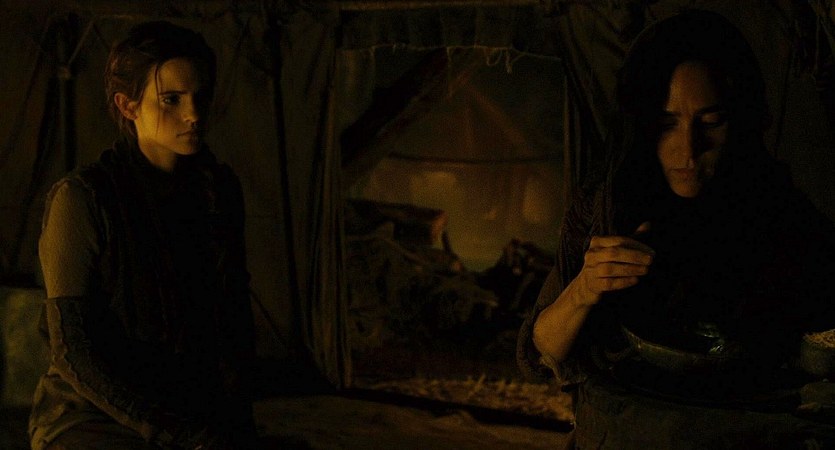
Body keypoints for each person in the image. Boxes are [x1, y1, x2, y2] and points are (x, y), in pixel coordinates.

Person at [517, 10, 835, 449]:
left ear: (742, 118)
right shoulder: (608, 204)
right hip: (622, 432)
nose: (688, 149)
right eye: (667, 124)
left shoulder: (779, 209)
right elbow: (541, 353)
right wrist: (585, 289)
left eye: (711, 122)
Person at [28, 21, 257, 450]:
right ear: (128, 105)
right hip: (93, 415)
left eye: (200, 97)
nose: (193, 114)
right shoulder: (83, 199)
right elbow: (73, 350)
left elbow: (233, 314)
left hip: (186, 401)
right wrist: (173, 431)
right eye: (171, 99)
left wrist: (232, 418)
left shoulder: (217, 191)